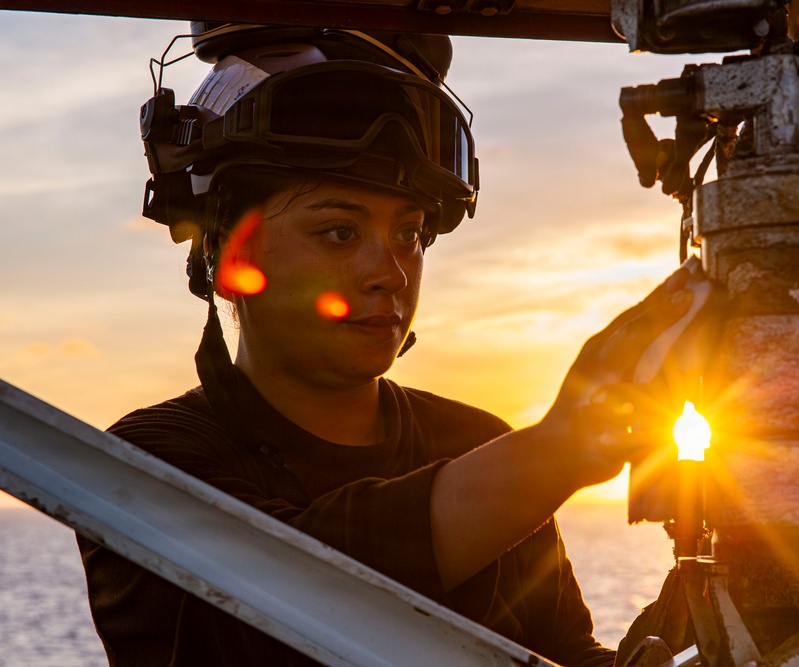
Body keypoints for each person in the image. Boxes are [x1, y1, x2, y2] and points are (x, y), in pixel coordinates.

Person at [77, 23, 720, 667]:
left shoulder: (474, 446)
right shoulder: (140, 469)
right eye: (338, 232)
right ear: (231, 253)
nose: (390, 270)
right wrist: (559, 451)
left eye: (409, 233)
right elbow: (281, 601)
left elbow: (562, 651)